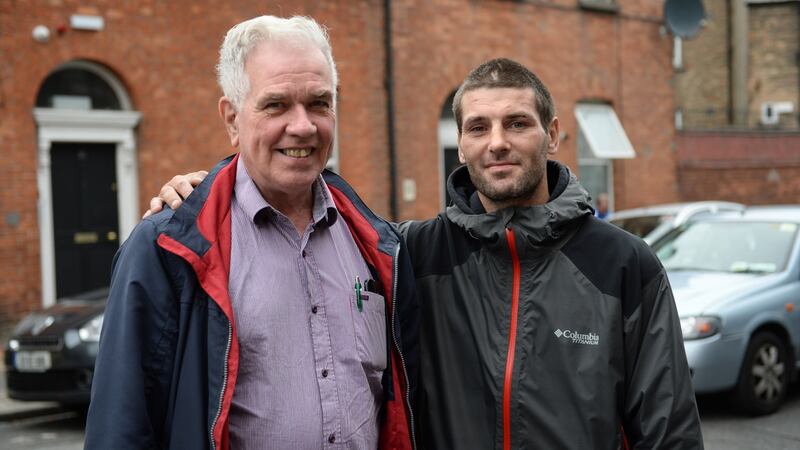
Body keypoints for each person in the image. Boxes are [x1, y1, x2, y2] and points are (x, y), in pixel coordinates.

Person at [150, 59, 703, 448]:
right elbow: (303, 211)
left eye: (518, 124)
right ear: (460, 143)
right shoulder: (409, 252)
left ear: (552, 134)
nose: (498, 142)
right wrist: (206, 193)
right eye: (478, 127)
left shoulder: (624, 264)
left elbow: (668, 428)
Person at [85, 15, 418, 450]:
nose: (302, 126)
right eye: (276, 105)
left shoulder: (378, 245)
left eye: (319, 103)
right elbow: (120, 427)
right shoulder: (166, 248)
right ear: (232, 118)